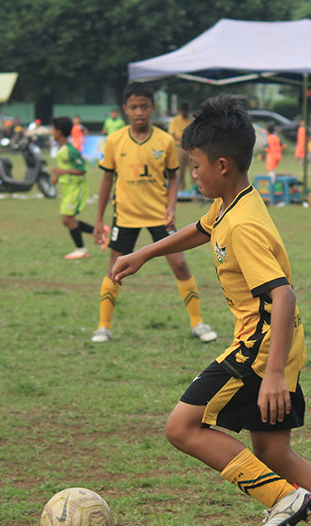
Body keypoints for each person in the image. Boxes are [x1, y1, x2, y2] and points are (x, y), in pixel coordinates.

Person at [109, 95, 311, 526]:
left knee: (182, 427)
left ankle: (282, 500)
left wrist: (273, 373)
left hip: (260, 349)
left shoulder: (243, 226)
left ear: (221, 164)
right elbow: (199, 228)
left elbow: (283, 297)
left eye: (195, 167)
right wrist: (146, 254)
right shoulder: (231, 203)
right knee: (272, 450)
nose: (191, 174)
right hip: (279, 345)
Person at [91, 83, 216, 344]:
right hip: (125, 215)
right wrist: (99, 219)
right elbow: (106, 182)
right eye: (133, 107)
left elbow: (173, 178)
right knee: (115, 267)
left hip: (159, 215)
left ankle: (198, 323)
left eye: (144, 107)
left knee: (179, 263)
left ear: (152, 108)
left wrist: (172, 207)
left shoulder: (164, 141)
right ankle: (103, 326)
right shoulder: (115, 141)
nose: (139, 112)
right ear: (125, 109)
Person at [50, 116, 100, 260]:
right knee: (68, 220)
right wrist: (57, 177)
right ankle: (99, 233)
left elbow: (82, 170)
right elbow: (65, 168)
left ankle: (81, 249)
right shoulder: (61, 148)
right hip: (67, 189)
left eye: (53, 129)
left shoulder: (71, 150)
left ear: (59, 131)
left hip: (76, 188)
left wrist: (62, 172)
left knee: (67, 219)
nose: (52, 132)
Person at [168, 103, 193, 191]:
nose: (183, 113)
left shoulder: (192, 120)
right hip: (179, 147)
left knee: (193, 171)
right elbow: (172, 134)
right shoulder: (175, 120)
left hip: (190, 148)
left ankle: (195, 192)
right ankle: (180, 193)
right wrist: (182, 139)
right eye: (181, 111)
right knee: (179, 172)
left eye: (185, 111)